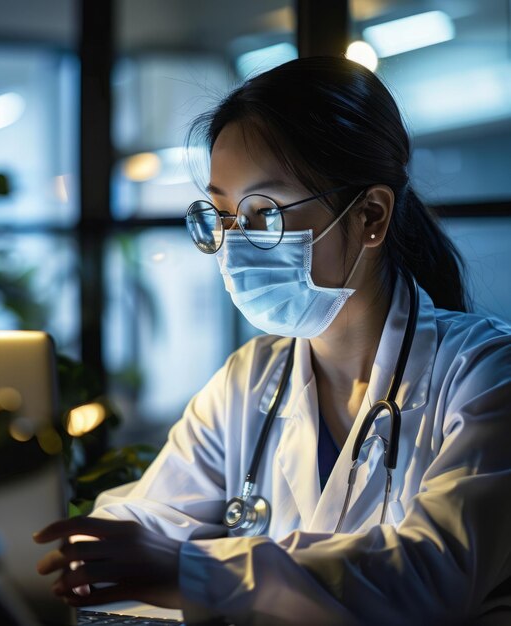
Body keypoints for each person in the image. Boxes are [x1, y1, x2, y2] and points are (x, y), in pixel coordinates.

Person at [34, 56, 511, 625]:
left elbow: (432, 573)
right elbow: (154, 517)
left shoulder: (485, 374)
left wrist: (196, 572)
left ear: (371, 217)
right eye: (223, 213)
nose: (234, 243)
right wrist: (55, 548)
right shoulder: (251, 377)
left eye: (264, 212)